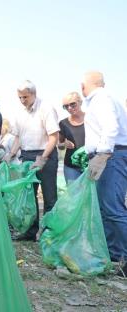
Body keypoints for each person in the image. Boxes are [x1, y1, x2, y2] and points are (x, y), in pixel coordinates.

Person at [81, 71, 127, 276]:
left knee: (113, 208)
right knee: (105, 209)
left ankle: (122, 256)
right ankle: (113, 254)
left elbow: (110, 127)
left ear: (85, 85)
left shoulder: (102, 99)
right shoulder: (101, 99)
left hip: (111, 156)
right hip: (109, 155)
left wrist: (102, 154)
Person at [3, 80, 59, 241]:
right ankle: (30, 231)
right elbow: (18, 137)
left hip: (45, 155)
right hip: (26, 156)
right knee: (29, 197)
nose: (22, 101)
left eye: (25, 97)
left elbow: (53, 137)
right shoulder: (19, 112)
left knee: (49, 196)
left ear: (34, 94)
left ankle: (49, 233)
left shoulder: (46, 108)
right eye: (20, 97)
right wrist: (11, 154)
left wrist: (43, 158)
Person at [58, 92, 85, 184]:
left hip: (89, 165)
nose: (69, 108)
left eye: (73, 104)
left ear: (80, 102)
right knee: (74, 196)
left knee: (92, 195)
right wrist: (64, 144)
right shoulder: (63, 123)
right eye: (66, 106)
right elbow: (59, 145)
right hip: (71, 167)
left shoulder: (91, 119)